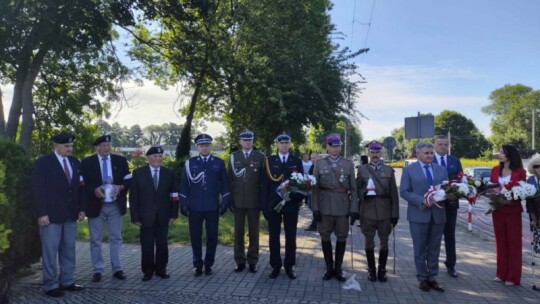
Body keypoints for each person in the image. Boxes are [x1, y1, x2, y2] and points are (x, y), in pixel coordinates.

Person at [31, 133, 86, 297]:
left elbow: (81, 187)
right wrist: (41, 213)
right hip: (50, 216)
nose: (70, 149)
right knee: (50, 251)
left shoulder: (75, 162)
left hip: (70, 215)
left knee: (69, 249)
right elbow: (37, 189)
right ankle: (50, 285)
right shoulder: (43, 162)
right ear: (56, 146)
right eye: (66, 146)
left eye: (71, 146)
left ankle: (67, 281)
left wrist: (82, 209)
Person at [81, 135, 131, 283]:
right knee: (95, 239)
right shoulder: (87, 162)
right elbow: (82, 184)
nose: (106, 148)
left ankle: (117, 269)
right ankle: (97, 270)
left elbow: (128, 180)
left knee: (116, 238)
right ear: (97, 147)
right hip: (96, 206)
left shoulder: (120, 161)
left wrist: (121, 187)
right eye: (103, 145)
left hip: (115, 205)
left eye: (108, 145)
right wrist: (93, 191)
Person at [400, 142, 448, 292]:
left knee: (434, 248)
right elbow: (404, 192)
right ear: (418, 153)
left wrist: (449, 194)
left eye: (431, 153)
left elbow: (446, 189)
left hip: (438, 215)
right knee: (420, 248)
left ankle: (432, 277)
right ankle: (422, 278)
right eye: (426, 153)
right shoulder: (408, 170)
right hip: (418, 215)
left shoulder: (441, 170)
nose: (429, 156)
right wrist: (423, 200)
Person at [180, 134, 230, 276]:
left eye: (207, 145)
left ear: (211, 147)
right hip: (194, 207)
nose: (204, 148)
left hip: (212, 206)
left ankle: (209, 264)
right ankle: (197, 264)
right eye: (201, 146)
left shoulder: (219, 163)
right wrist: (183, 203)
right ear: (197, 147)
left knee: (212, 237)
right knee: (195, 237)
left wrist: (225, 201)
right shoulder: (190, 163)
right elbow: (184, 185)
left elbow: (225, 184)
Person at [312, 134, 358, 281]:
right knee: (324, 236)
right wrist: (316, 209)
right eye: (332, 145)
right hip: (324, 206)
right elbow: (315, 188)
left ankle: (338, 268)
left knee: (342, 236)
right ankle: (329, 267)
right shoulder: (319, 163)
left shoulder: (348, 164)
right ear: (327, 146)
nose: (335, 148)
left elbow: (354, 189)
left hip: (343, 206)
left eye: (337, 145)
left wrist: (354, 209)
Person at [130, 146, 179, 282]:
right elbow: (133, 197)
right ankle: (147, 271)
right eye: (155, 156)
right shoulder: (138, 173)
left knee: (162, 245)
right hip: (145, 217)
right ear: (148, 158)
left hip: (163, 216)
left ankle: (161, 270)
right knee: (147, 245)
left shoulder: (168, 173)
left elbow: (174, 195)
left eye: (160, 156)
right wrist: (135, 217)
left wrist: (174, 214)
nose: (158, 159)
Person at [261, 132, 304, 279]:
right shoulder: (269, 161)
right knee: (274, 237)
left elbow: (301, 183)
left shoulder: (296, 160)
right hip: (274, 205)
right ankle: (275, 266)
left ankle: (289, 266)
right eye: (281, 143)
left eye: (286, 143)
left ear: (290, 144)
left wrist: (297, 199)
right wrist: (265, 206)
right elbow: (265, 184)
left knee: (291, 237)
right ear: (277, 144)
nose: (284, 145)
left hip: (291, 205)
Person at [356, 140, 399, 282]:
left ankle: (382, 269)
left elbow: (394, 194)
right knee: (369, 241)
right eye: (372, 152)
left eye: (377, 152)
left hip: (385, 212)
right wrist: (363, 194)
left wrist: (395, 214)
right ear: (368, 153)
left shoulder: (388, 170)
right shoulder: (362, 170)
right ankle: (371, 269)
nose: (374, 154)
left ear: (381, 153)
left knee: (384, 241)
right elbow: (356, 190)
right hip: (367, 211)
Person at [228, 129, 265, 273]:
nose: (247, 142)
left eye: (250, 140)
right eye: (245, 140)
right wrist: (230, 199)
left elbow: (263, 181)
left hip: (254, 201)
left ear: (253, 141)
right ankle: (239, 260)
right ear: (240, 141)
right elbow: (229, 179)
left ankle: (253, 261)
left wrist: (262, 200)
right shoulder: (233, 156)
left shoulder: (260, 157)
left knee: (254, 232)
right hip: (237, 200)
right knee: (238, 232)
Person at [489, 144, 526, 286]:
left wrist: (511, 195)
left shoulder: (520, 171)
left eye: (502, 152)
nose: (499, 154)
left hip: (513, 211)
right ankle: (501, 273)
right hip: (497, 210)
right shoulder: (494, 170)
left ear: (510, 154)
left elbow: (522, 191)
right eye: (499, 152)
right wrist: (491, 192)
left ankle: (513, 277)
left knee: (514, 243)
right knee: (500, 242)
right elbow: (491, 188)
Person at [433, 135, 463, 278]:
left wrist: (456, 192)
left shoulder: (455, 161)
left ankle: (451, 265)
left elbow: (461, 180)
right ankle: (431, 265)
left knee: (449, 235)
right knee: (433, 235)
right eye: (440, 144)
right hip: (434, 204)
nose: (443, 147)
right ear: (435, 145)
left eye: (445, 144)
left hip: (451, 204)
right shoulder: (428, 159)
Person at [305, 152, 319, 231]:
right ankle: (316, 223)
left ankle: (314, 225)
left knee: (315, 207)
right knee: (311, 206)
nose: (313, 159)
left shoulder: (320, 167)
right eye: (311, 158)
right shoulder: (312, 166)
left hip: (318, 191)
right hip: (311, 190)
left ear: (318, 158)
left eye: (314, 158)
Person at [526, 155, 540, 230]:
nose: (539, 168)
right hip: (535, 215)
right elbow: (529, 201)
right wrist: (533, 217)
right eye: (536, 166)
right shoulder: (530, 180)